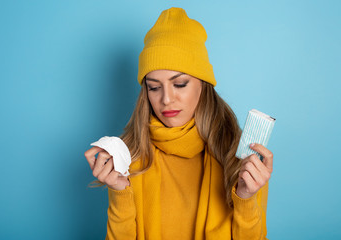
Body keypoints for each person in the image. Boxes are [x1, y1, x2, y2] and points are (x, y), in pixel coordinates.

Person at [84, 7, 273, 240]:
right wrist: (119, 192)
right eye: (154, 87)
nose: (166, 99)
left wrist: (245, 198)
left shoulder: (240, 156)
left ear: (203, 84)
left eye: (180, 84)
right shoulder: (128, 155)